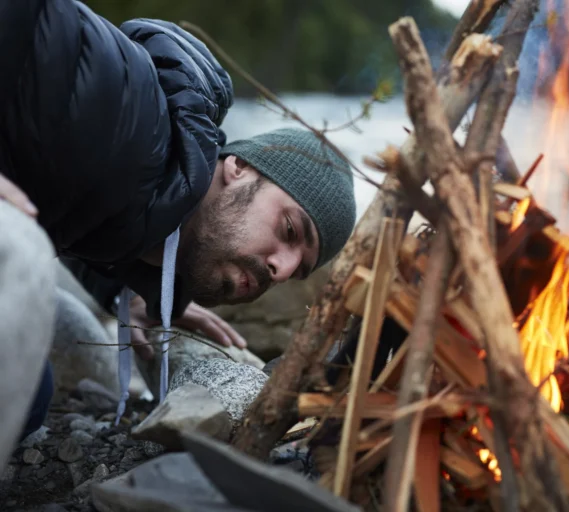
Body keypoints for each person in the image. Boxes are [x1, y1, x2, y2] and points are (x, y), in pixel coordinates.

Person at [0, 0, 356, 454]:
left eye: (298, 268)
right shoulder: (128, 111)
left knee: (31, 397)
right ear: (240, 168)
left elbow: (75, 199)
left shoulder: (142, 185)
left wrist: (128, 288)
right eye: (289, 230)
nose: (281, 270)